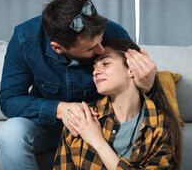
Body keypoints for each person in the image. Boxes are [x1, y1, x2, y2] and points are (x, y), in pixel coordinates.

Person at [0, 0, 157, 169]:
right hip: (49, 126)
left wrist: (149, 84)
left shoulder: (115, 32)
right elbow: (8, 100)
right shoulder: (25, 39)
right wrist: (60, 109)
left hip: (102, 126)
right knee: (11, 133)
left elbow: (137, 94)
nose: (101, 49)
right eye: (91, 48)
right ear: (58, 48)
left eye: (101, 39)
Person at [53, 38, 182, 170]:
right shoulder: (82, 117)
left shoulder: (160, 124)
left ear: (131, 69)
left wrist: (97, 142)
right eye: (94, 66)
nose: (95, 72)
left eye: (105, 63)